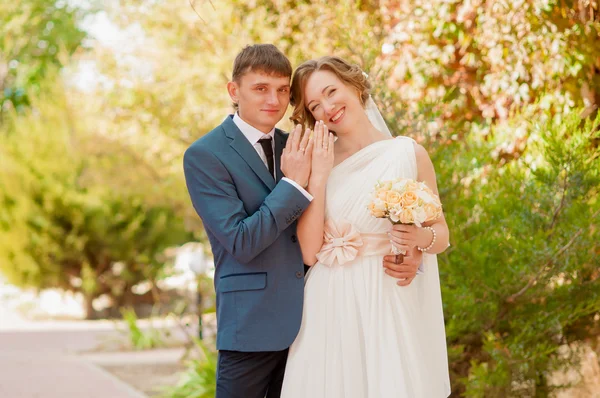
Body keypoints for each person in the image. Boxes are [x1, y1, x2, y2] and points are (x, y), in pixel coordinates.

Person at [280, 56, 451, 397]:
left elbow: (442, 235)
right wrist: (321, 172)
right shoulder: (315, 160)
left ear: (355, 86)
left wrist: (418, 239)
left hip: (388, 297)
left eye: (331, 91)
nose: (328, 107)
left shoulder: (409, 153)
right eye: (315, 105)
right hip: (331, 301)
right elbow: (311, 252)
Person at [183, 44, 315, 398]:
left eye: (283, 90)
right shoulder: (205, 155)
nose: (274, 99)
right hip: (251, 326)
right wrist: (292, 185)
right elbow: (241, 241)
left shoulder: (299, 146)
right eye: (260, 88)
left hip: (314, 322)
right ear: (234, 90)